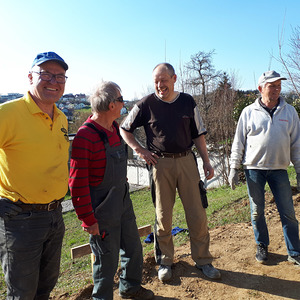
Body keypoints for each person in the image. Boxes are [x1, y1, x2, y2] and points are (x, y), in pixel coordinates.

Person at [120, 63, 221, 281]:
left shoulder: (187, 101)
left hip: (186, 162)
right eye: (156, 80)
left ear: (174, 78)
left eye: (164, 79)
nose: (159, 85)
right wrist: (140, 149)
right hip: (160, 165)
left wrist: (206, 161)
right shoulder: (146, 104)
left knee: (197, 214)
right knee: (163, 216)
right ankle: (165, 262)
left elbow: (199, 134)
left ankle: (203, 260)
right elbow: (124, 128)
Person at [69, 81, 154, 300]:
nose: (124, 103)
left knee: (134, 249)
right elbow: (77, 183)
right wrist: (88, 219)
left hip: (123, 201)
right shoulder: (84, 137)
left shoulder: (114, 128)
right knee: (106, 261)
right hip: (101, 209)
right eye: (120, 99)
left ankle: (130, 287)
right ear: (110, 106)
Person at [0, 52, 70, 299]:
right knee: (22, 293)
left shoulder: (61, 117)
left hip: (54, 216)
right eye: (46, 74)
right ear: (30, 77)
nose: (54, 81)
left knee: (45, 286)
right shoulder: (8, 114)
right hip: (20, 220)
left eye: (60, 76)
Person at [228, 70, 300, 265]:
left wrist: (299, 170)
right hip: (254, 170)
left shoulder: (289, 112)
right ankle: (262, 245)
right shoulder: (248, 113)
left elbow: (297, 144)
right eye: (271, 86)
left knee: (288, 212)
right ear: (261, 88)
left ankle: (294, 252)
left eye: (278, 85)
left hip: (279, 169)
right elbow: (238, 142)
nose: (276, 89)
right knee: (257, 211)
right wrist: (234, 168)